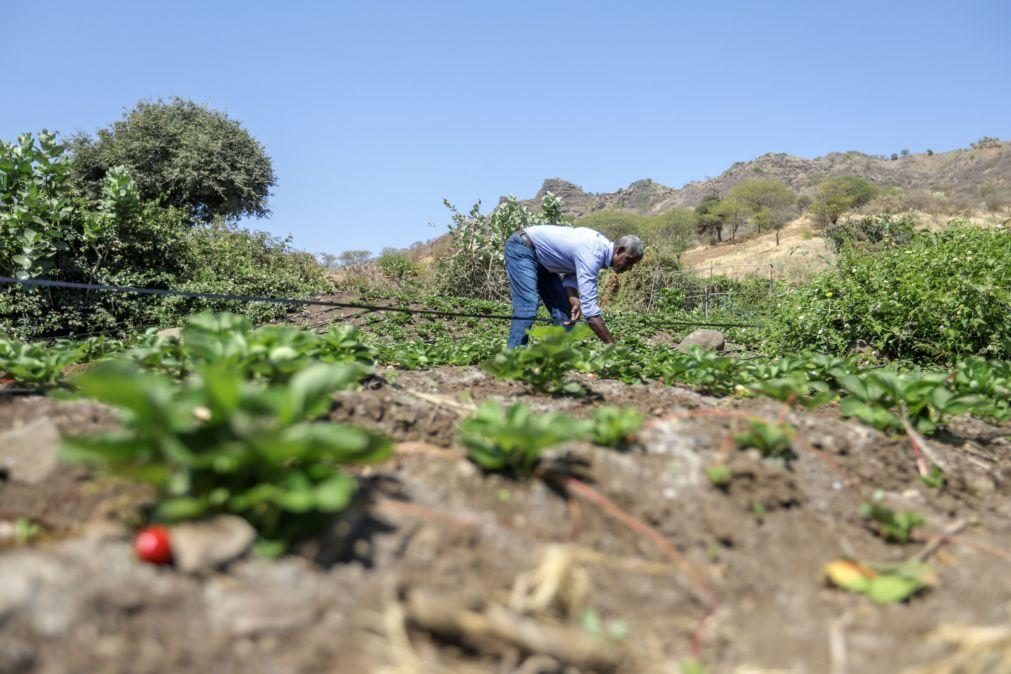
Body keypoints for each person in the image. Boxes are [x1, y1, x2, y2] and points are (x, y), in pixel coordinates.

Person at [503, 224, 644, 347]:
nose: (629, 267)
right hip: (523, 247)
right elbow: (591, 313)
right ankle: (513, 356)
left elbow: (571, 276)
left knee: (565, 313)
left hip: (545, 262)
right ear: (619, 250)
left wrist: (573, 298)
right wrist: (614, 348)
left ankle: (551, 356)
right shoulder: (593, 253)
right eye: (629, 261)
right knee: (528, 305)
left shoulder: (598, 253)